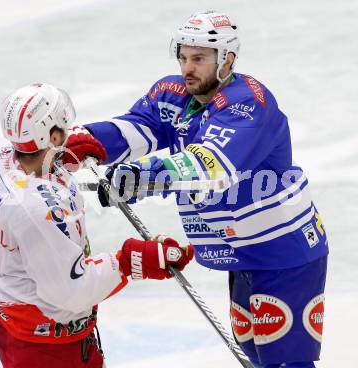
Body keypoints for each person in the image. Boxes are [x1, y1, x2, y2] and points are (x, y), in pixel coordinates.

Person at [65, 10, 329, 368]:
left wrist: (142, 178)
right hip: (244, 251)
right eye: (184, 57)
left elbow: (210, 167)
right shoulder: (173, 94)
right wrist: (90, 140)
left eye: (199, 59)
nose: (188, 68)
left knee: (284, 363)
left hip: (284, 252)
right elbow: (140, 126)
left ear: (227, 60)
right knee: (252, 353)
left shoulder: (248, 103)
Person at [0, 83, 193, 368]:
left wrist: (58, 158)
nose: (69, 129)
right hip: (46, 349)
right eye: (63, 127)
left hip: (23, 323)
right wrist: (130, 261)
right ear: (50, 136)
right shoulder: (38, 213)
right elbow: (70, 292)